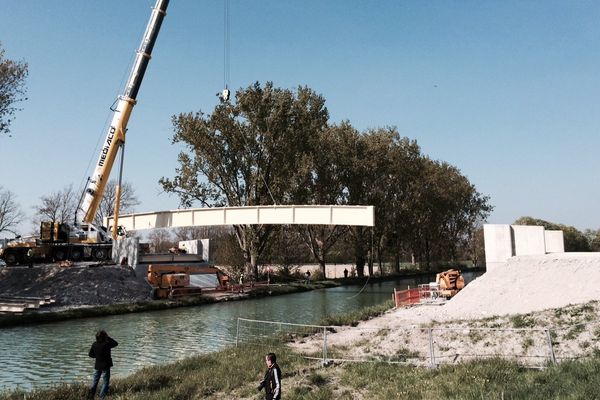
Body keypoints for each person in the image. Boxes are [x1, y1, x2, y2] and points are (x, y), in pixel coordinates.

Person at [88, 330, 118, 400]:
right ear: (104, 337)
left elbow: (90, 355)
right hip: (106, 366)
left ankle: (91, 396)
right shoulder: (107, 344)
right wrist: (108, 337)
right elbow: (116, 343)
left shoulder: (94, 344)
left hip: (97, 365)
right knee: (105, 382)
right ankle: (101, 398)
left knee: (95, 381)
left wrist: (98, 356)